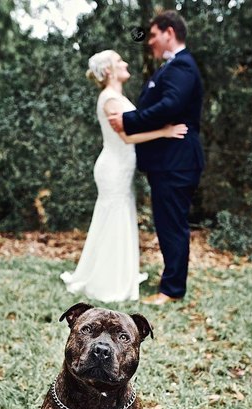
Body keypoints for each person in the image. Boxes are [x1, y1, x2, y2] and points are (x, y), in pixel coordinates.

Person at [60, 49, 188, 303]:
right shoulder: (110, 99)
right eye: (119, 61)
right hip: (113, 168)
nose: (125, 63)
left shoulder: (115, 97)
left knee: (118, 218)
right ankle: (109, 280)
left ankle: (118, 273)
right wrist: (164, 131)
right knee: (114, 219)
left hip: (122, 166)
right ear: (108, 70)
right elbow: (127, 136)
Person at [108, 11, 204, 305]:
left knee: (172, 225)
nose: (149, 41)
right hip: (167, 161)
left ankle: (172, 291)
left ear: (169, 33)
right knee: (166, 223)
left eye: (152, 35)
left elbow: (170, 104)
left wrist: (130, 120)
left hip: (177, 160)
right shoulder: (172, 67)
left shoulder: (183, 66)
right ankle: (170, 285)